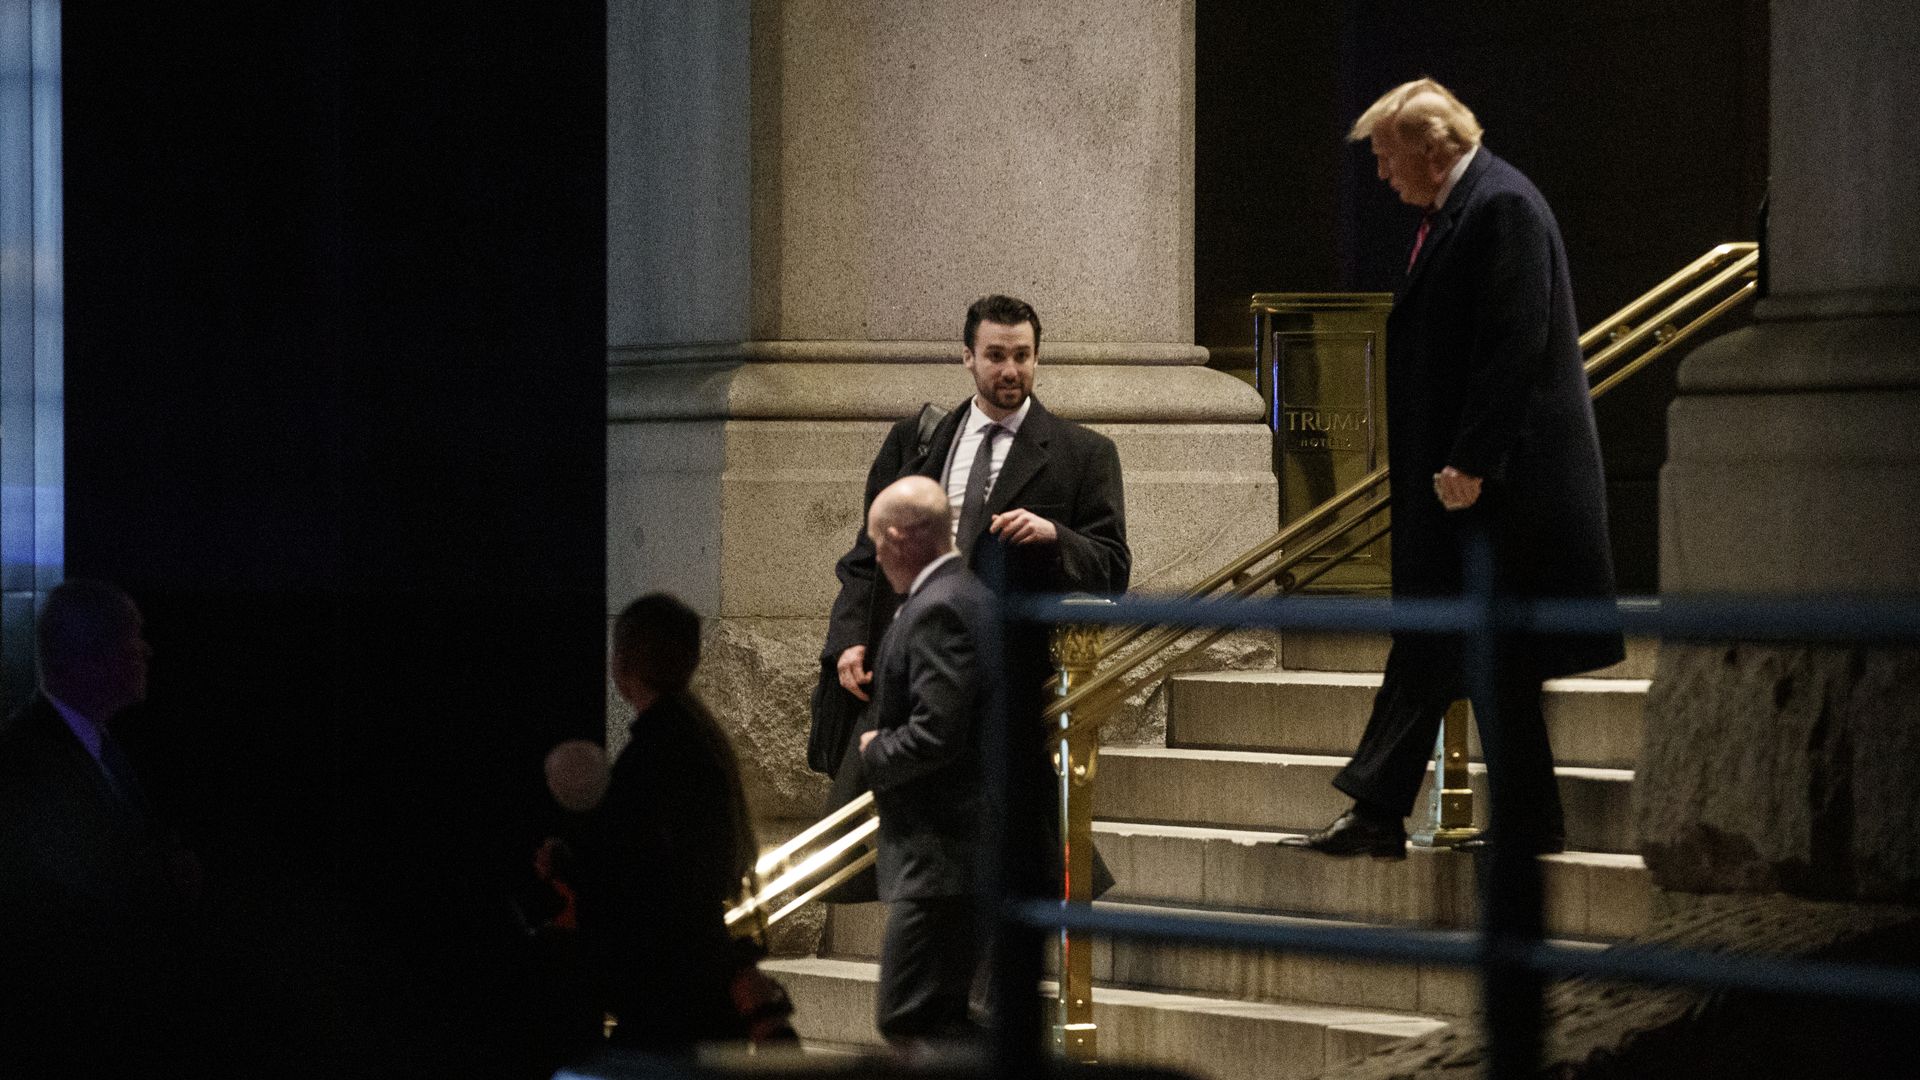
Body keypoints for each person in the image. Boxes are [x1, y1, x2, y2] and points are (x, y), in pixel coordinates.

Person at [1285, 79, 1624, 860]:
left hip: (1500, 486)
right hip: (1472, 483)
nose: (1379, 174)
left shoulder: (1500, 206)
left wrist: (1471, 459)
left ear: (1432, 149)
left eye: (1385, 155)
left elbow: (1515, 340)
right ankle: (1506, 822)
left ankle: (1380, 811)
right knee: (1477, 651)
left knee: (1456, 641)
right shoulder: (1468, 207)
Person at [810, 293, 1130, 780]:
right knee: (853, 821)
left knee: (997, 833)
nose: (1010, 370)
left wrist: (1055, 536)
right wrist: (849, 639)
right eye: (996, 356)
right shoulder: (914, 442)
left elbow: (1113, 568)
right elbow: (867, 555)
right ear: (968, 358)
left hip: (1004, 685)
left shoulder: (1084, 454)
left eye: (1022, 356)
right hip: (902, 667)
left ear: (1037, 357)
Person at [0, 579, 207, 1075]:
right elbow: (69, 897)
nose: (146, 651)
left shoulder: (95, 744)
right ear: (89, 656)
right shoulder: (27, 761)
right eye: (131, 638)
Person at [570, 592, 763, 1055]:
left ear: (622, 663)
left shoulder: (652, 754)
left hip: (666, 983)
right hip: (700, 972)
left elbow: (634, 869)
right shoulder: (702, 740)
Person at [856, 475, 998, 1042]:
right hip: (956, 854)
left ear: (896, 538)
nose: (877, 557)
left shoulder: (940, 608)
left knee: (910, 1018)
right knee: (940, 1019)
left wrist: (875, 751)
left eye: (875, 543)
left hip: (948, 856)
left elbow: (937, 734)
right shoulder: (967, 595)